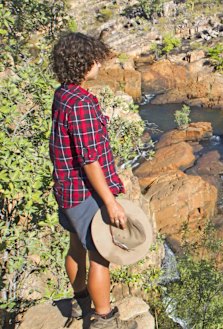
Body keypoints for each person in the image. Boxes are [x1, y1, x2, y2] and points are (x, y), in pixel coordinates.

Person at [50, 32, 137, 329]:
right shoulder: (83, 105)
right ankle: (103, 319)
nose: (99, 64)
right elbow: (90, 160)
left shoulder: (63, 94)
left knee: (76, 246)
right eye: (94, 59)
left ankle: (80, 302)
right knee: (101, 255)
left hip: (66, 189)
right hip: (86, 193)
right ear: (83, 63)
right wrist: (110, 202)